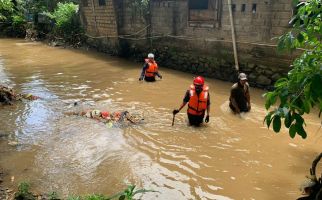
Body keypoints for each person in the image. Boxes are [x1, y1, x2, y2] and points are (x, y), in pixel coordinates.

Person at [65, 109, 143, 126]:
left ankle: (135, 122)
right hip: (118, 124)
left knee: (125, 115)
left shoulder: (99, 118)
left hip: (117, 123)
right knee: (125, 112)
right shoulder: (103, 119)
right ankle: (136, 122)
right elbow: (111, 121)